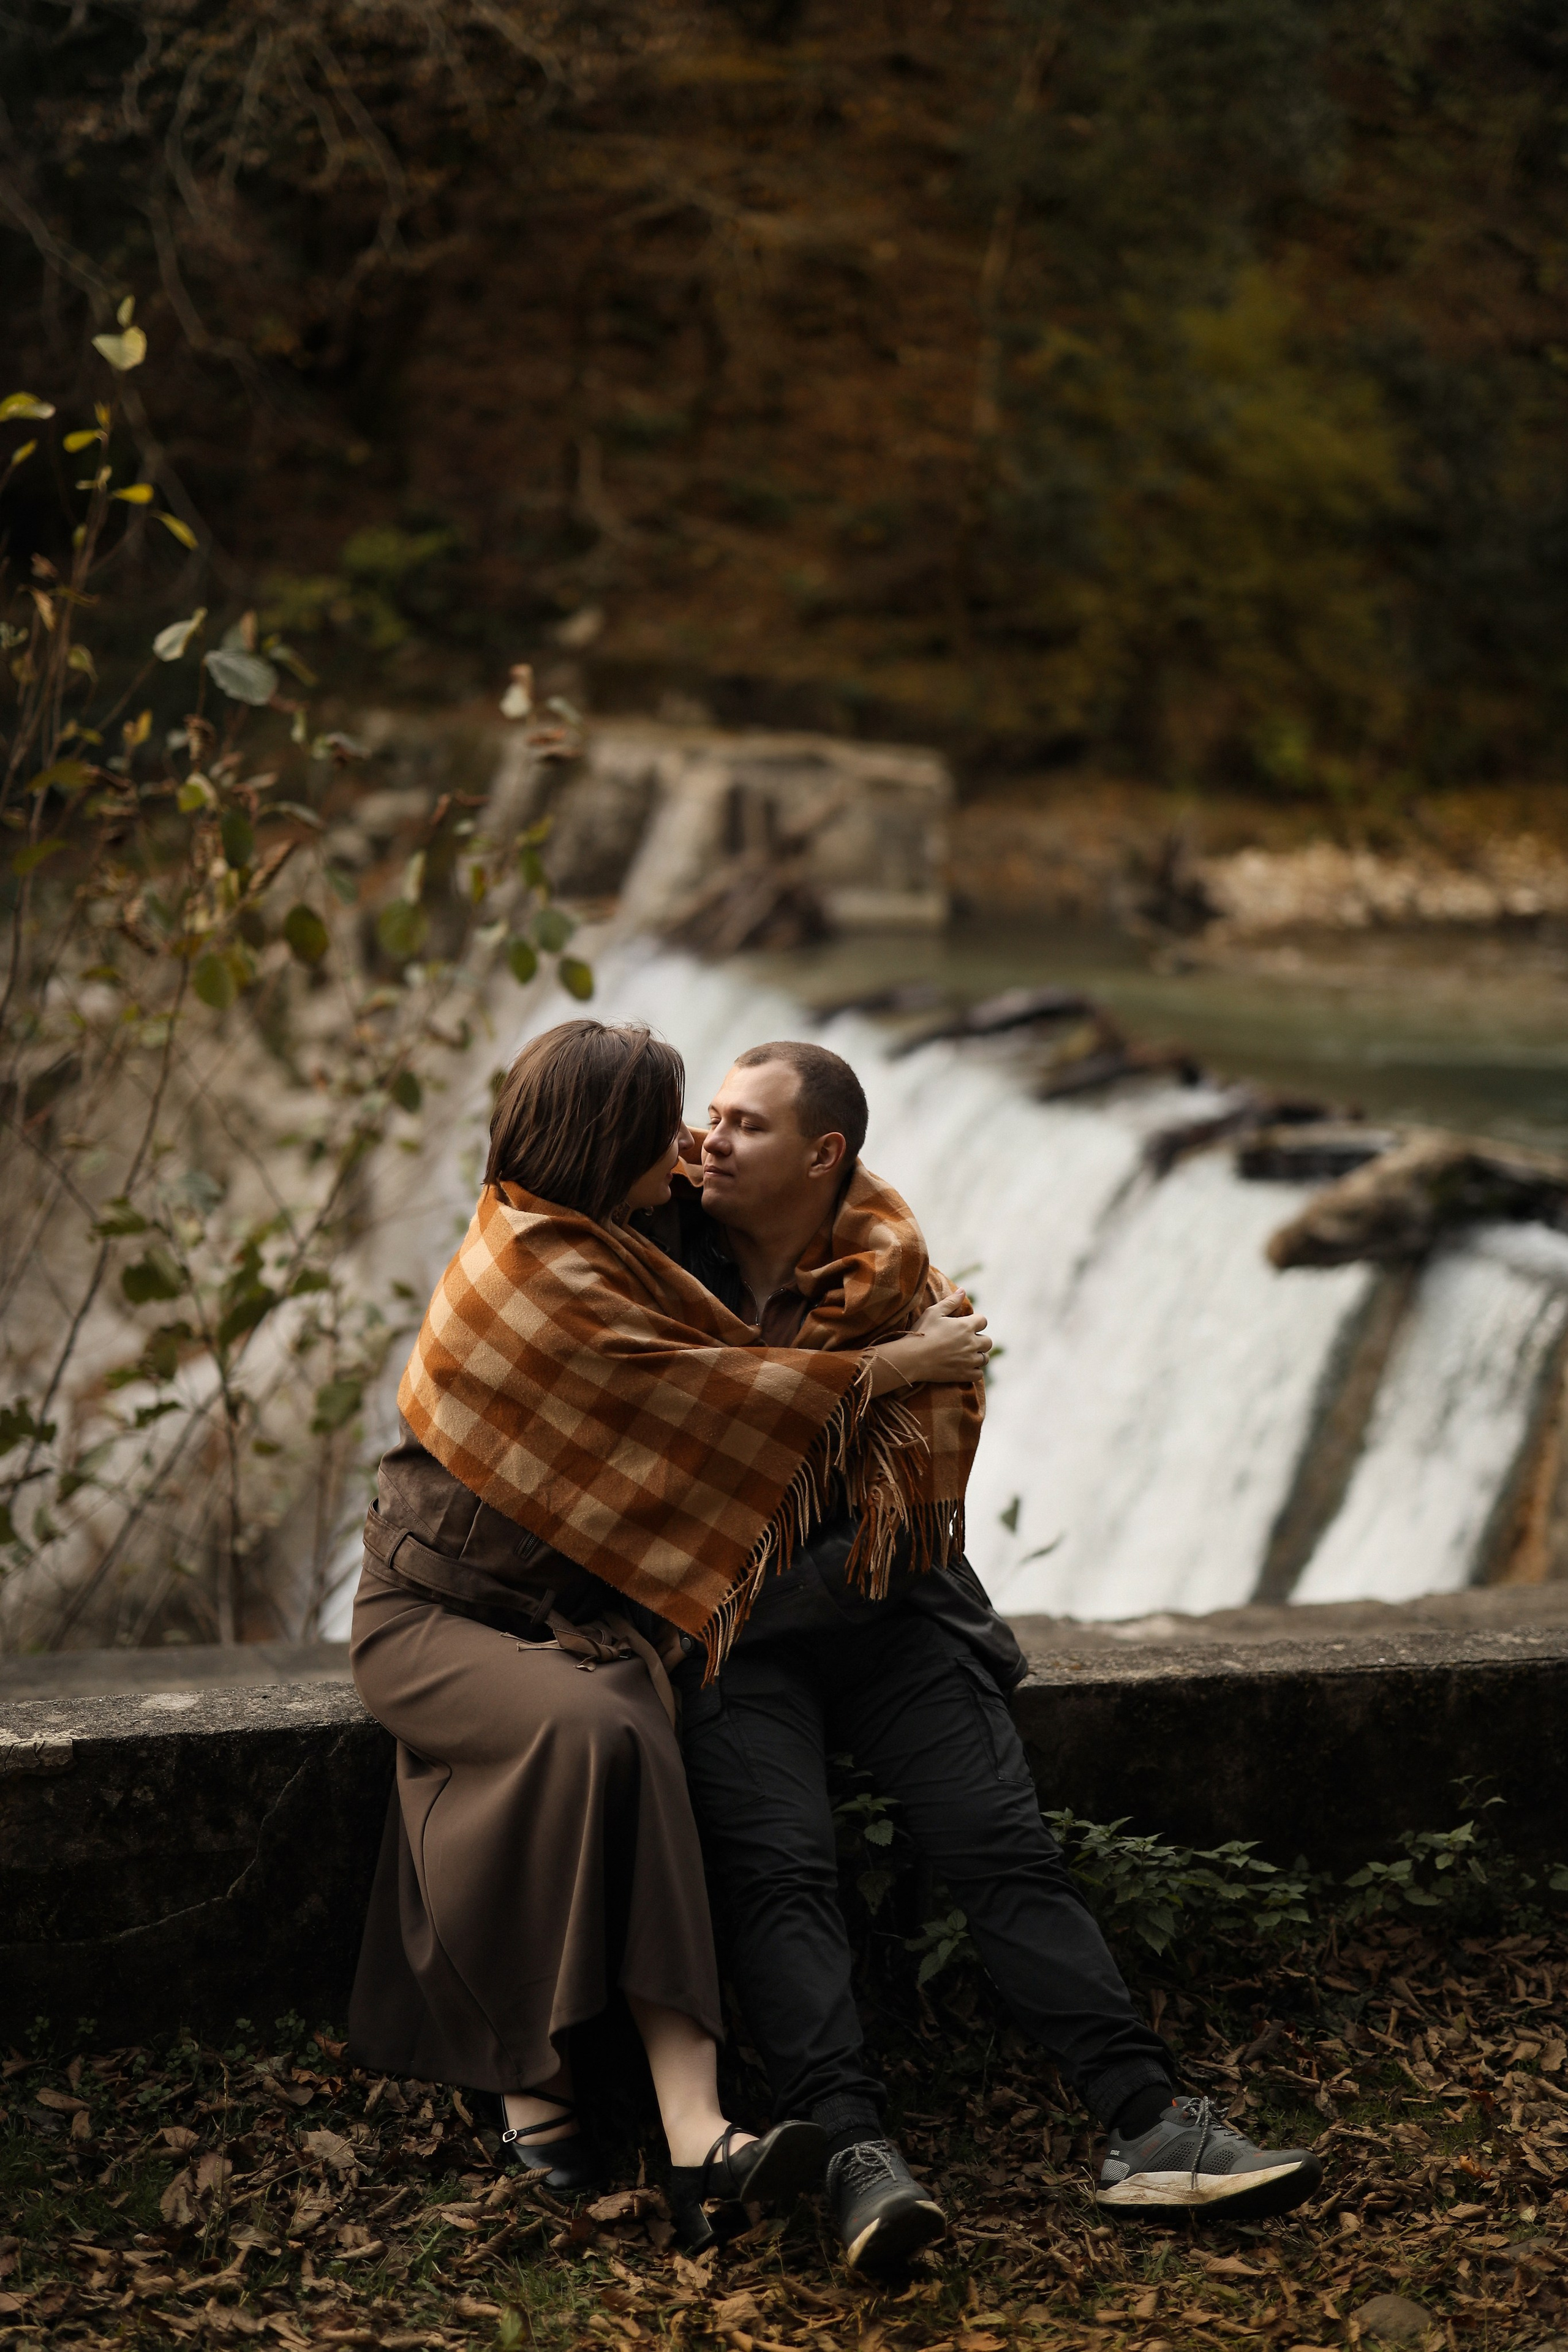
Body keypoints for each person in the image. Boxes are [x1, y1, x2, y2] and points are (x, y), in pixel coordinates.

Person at [636, 1039, 1324, 2271]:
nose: (710, 1141)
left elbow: (877, 1498)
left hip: (887, 1612)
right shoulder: (653, 1262)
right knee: (782, 1871)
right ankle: (851, 2156)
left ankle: (1147, 2124)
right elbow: (672, 1437)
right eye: (710, 1118)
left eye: (745, 1125)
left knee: (1002, 1845)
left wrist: (792, 1493)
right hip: (730, 1636)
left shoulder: (895, 1275)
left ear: (820, 1155)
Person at [345, 1018, 985, 2249]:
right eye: (670, 1130)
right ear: (610, 1145)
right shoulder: (545, 1270)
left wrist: (886, 1264)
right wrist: (895, 1366)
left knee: (641, 1719)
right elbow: (712, 1396)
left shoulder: (617, 1238)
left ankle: (699, 2134)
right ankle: (528, 2082)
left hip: (558, 1615)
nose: (691, 1147)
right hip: (430, 1618)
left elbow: (825, 1212)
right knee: (596, 1726)